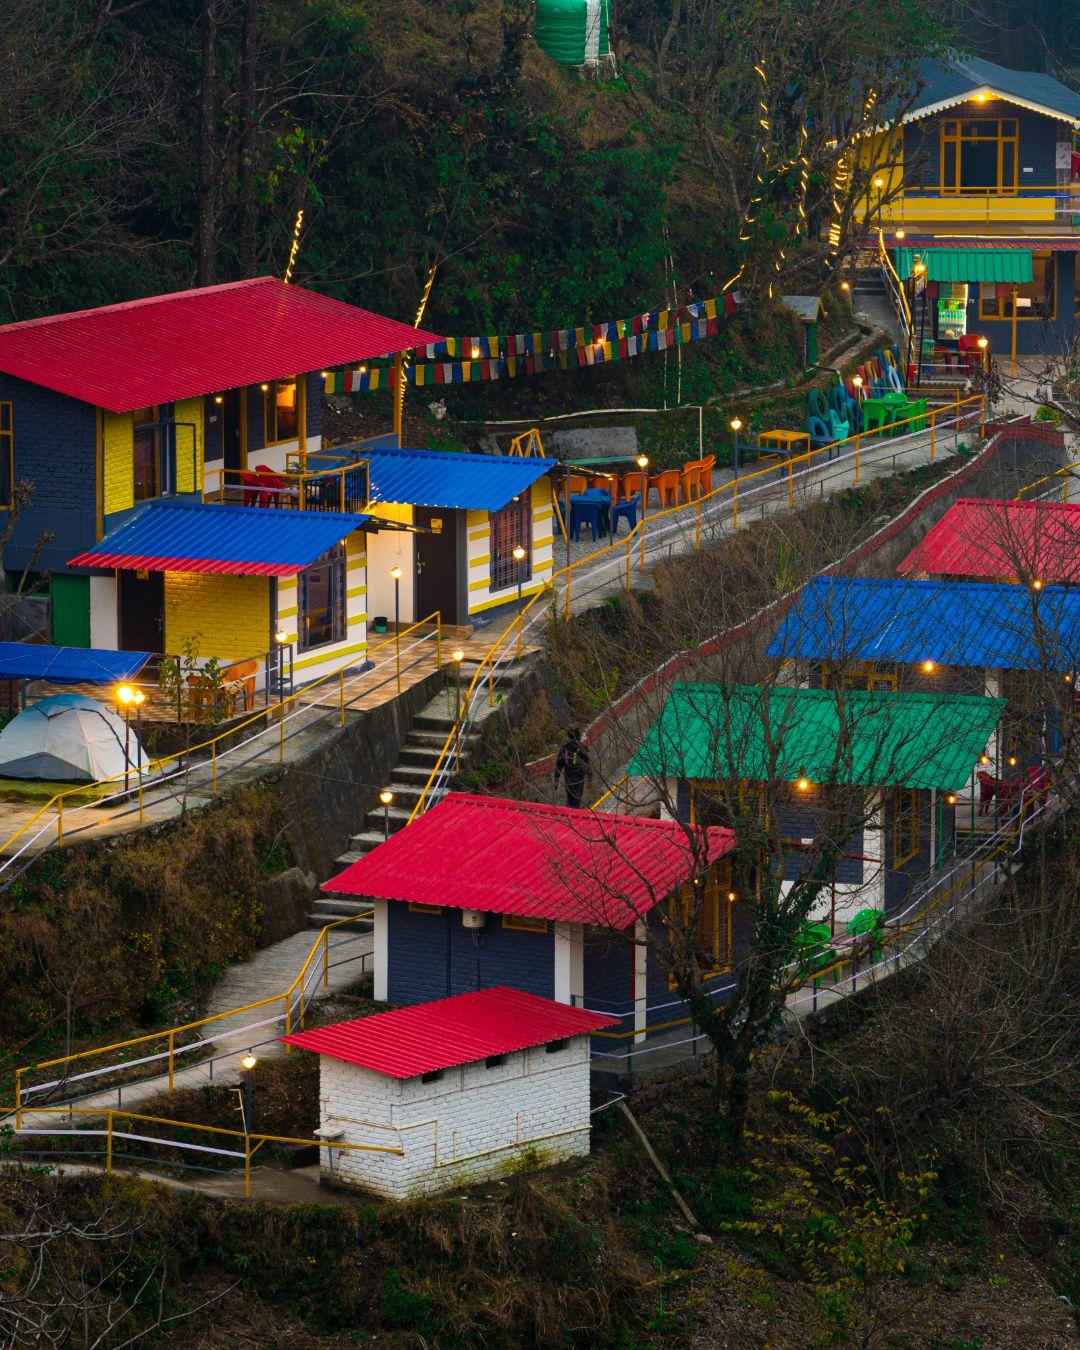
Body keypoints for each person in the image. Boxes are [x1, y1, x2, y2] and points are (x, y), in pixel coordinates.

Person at [554, 729, 591, 809]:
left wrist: (556, 779)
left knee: (571, 799)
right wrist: (590, 777)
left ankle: (572, 813)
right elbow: (587, 763)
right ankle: (575, 815)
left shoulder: (564, 749)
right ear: (578, 737)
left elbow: (559, 765)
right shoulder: (582, 748)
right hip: (579, 779)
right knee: (576, 799)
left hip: (568, 778)